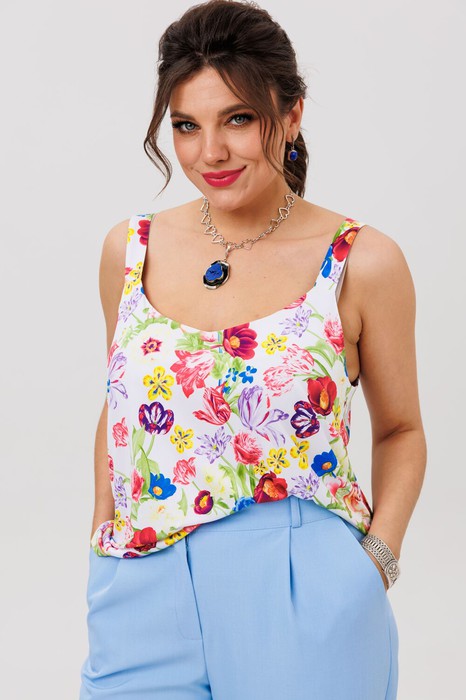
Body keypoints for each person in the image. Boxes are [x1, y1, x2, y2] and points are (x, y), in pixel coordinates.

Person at [79, 1, 427, 698]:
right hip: (140, 587)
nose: (210, 152)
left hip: (303, 590)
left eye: (237, 119)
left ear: (291, 114)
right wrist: (104, 544)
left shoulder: (360, 262)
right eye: (186, 125)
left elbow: (401, 430)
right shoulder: (131, 249)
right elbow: (119, 405)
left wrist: (373, 567)